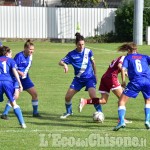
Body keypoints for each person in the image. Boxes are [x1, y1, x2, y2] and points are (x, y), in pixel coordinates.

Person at [78, 44, 132, 124]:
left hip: (105, 78)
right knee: (122, 98)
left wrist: (128, 75)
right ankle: (121, 119)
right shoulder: (124, 58)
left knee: (103, 100)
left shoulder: (121, 58)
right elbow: (120, 66)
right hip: (111, 78)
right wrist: (123, 81)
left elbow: (122, 70)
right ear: (129, 52)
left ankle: (85, 101)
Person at [59, 32, 102, 119]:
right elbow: (60, 61)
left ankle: (100, 113)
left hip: (89, 78)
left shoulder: (88, 52)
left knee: (93, 96)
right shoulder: (71, 54)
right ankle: (69, 112)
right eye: (79, 44)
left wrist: (95, 75)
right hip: (78, 79)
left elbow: (93, 63)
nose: (81, 46)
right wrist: (65, 65)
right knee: (67, 97)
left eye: (83, 44)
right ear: (76, 44)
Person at [113, 42, 150, 131]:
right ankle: (147, 121)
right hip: (147, 82)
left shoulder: (128, 57)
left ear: (129, 50)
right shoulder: (144, 56)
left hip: (135, 82)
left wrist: (124, 81)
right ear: (136, 49)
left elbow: (123, 69)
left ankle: (121, 121)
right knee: (148, 101)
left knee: (121, 101)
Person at [1, 39, 41, 119]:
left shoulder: (30, 56)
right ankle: (5, 113)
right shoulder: (19, 56)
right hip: (16, 79)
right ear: (25, 48)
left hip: (25, 79)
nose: (32, 51)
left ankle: (35, 113)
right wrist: (20, 73)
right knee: (15, 96)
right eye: (30, 49)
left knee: (35, 94)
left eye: (33, 49)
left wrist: (24, 74)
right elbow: (12, 67)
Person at [0, 46, 26, 128]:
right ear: (7, 53)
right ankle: (22, 123)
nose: (11, 55)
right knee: (13, 103)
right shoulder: (11, 61)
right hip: (8, 82)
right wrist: (20, 84)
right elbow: (15, 73)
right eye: (10, 53)